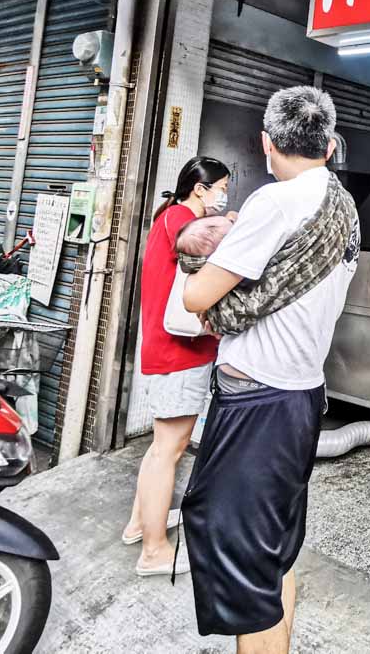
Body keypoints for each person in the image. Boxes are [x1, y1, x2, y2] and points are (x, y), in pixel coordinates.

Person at [180, 86, 360, 653]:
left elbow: (197, 297)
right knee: (274, 548)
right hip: (303, 396)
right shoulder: (343, 205)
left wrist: (205, 252)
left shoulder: (275, 203)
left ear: (266, 143)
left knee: (239, 554)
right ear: (328, 146)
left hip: (256, 401)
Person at [123, 156, 230, 577]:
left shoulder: (169, 217)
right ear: (199, 189)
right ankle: (153, 551)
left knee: (161, 446)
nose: (224, 195)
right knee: (169, 448)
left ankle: (139, 523)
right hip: (179, 351)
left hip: (166, 349)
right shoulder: (185, 219)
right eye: (220, 187)